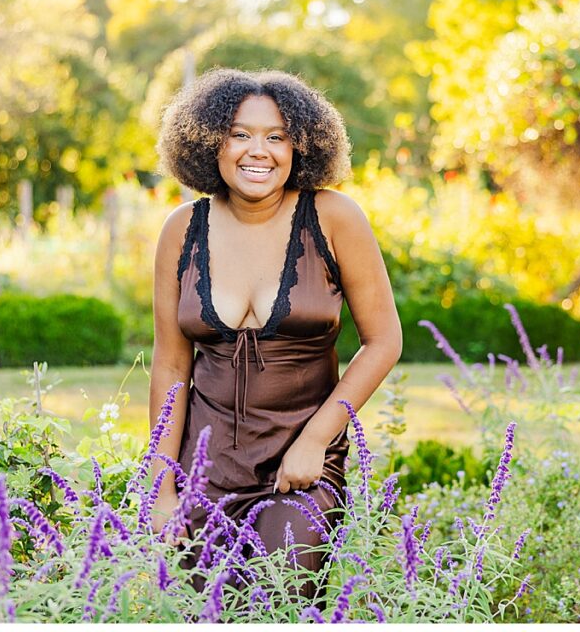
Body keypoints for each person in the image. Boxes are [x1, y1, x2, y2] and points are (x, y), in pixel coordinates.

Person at [146, 68, 402, 593]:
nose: (256, 151)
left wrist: (315, 441)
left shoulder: (333, 217)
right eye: (240, 134)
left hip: (300, 466)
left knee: (279, 594)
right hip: (205, 470)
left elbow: (384, 342)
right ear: (209, 142)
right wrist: (161, 485)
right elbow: (172, 366)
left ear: (300, 146)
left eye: (276, 136)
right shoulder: (181, 230)